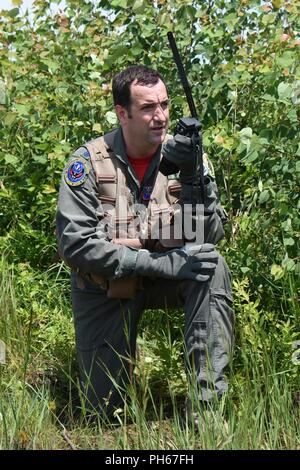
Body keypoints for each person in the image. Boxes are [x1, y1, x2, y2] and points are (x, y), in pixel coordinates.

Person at [56, 65, 234, 421]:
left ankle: (206, 412)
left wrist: (194, 177)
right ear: (123, 113)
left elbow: (208, 234)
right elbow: (76, 244)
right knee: (104, 413)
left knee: (212, 264)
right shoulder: (88, 162)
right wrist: (158, 261)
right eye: (149, 108)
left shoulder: (186, 156)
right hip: (106, 286)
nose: (161, 117)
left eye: (165, 105)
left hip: (169, 278)